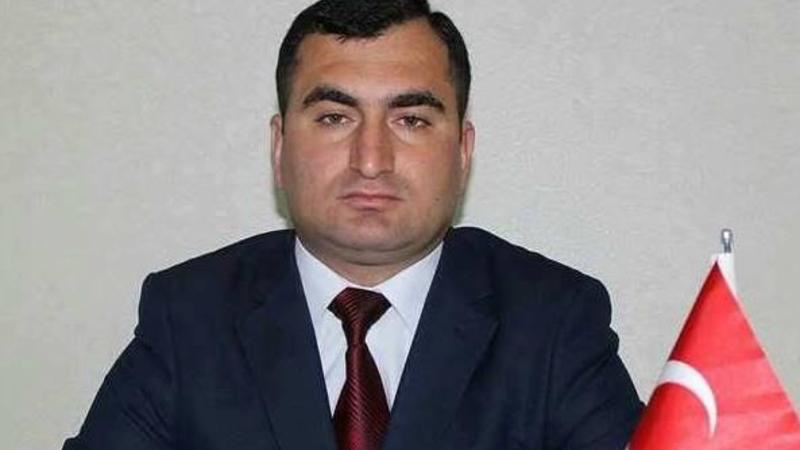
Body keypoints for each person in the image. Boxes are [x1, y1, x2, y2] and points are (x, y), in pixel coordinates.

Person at [63, 1, 643, 449]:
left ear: (463, 151)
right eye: (335, 117)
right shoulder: (189, 315)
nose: (371, 160)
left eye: (411, 120)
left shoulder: (554, 321)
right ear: (279, 146)